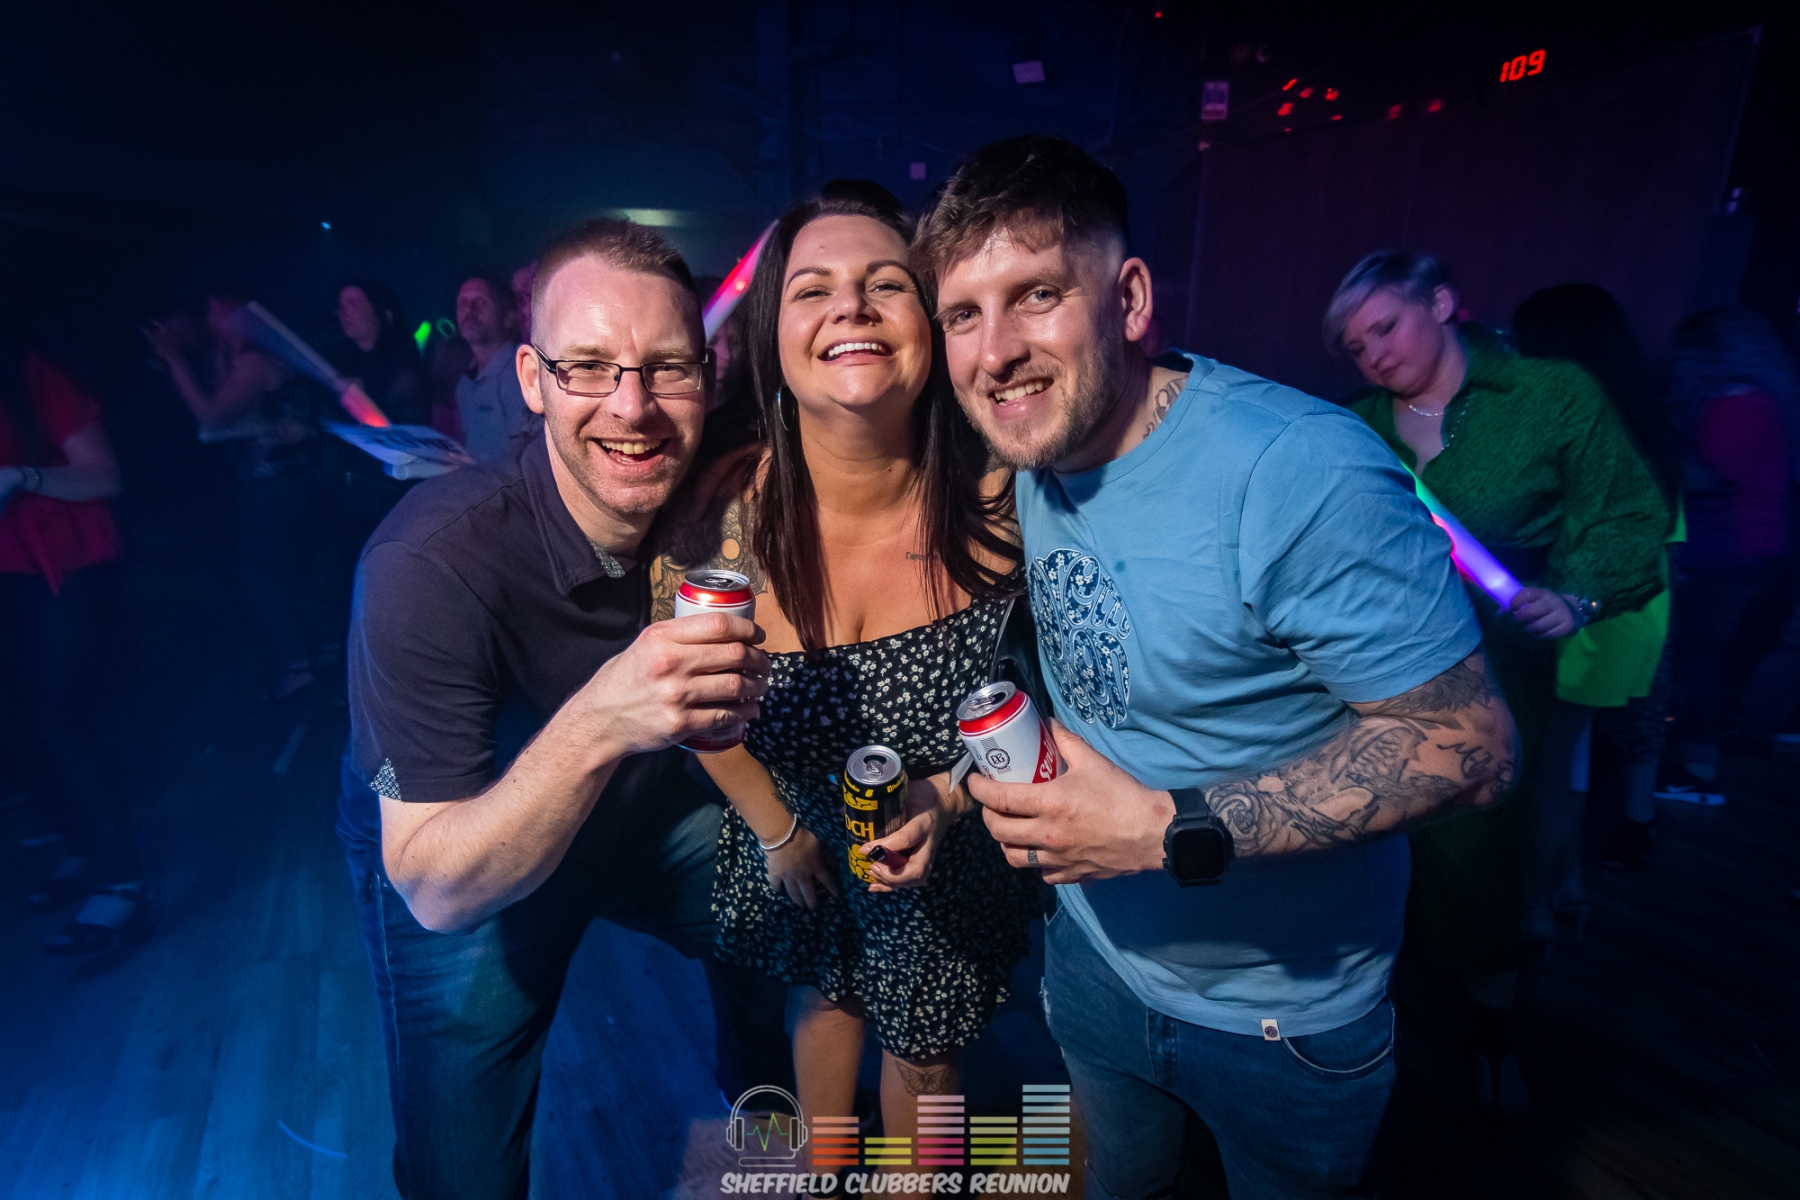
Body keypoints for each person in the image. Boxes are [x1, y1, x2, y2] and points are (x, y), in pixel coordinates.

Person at [918, 135, 1518, 1200]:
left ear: (1129, 299)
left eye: (1037, 295)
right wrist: (960, 786)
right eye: (963, 314)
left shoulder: (1297, 470)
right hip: (1095, 961)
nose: (994, 351)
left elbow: (1470, 750)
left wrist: (1165, 830)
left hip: (1283, 1017)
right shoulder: (1032, 457)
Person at [338, 218, 787, 1200]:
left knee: (789, 906)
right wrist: (605, 716)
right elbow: (434, 887)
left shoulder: (712, 491)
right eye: (588, 367)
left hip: (640, 811)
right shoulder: (430, 563)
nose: (633, 407)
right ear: (532, 380)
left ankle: (765, 1110)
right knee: (462, 1172)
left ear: (707, 375)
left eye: (667, 368)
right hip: (468, 842)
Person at [651, 180, 1038, 1145]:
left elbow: (1049, 697)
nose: (852, 307)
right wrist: (778, 832)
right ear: (773, 338)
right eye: (813, 289)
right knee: (826, 995)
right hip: (792, 830)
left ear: (931, 324)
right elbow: (689, 707)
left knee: (927, 1046)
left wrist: (950, 800)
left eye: (886, 283)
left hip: (944, 841)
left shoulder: (1008, 502)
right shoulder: (714, 515)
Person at [1329, 253, 1666, 1116]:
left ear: (1442, 302)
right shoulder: (1351, 424)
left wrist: (1577, 596)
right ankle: (1362, 1030)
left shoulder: (1551, 395)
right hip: (1365, 665)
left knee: (1475, 842)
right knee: (1363, 838)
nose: (1373, 354)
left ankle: (1493, 1036)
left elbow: (1629, 514)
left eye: (1385, 327)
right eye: (1355, 345)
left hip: (1497, 661)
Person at [1511, 284, 1683, 873]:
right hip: (1633, 612)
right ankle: (1564, 888)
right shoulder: (1645, 415)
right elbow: (1666, 534)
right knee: (1570, 759)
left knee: (1544, 768)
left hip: (1578, 614)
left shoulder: (1569, 417)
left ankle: (1537, 904)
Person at [0, 318, 144, 954]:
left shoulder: (35, 376)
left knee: (59, 722)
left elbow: (104, 476)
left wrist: (22, 477)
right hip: (12, 576)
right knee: (17, 729)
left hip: (65, 568)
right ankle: (86, 848)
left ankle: (124, 881)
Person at [145, 292, 332, 700]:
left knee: (258, 570)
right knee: (282, 567)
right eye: (208, 308)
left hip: (277, 479)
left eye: (218, 308)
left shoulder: (254, 360)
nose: (209, 316)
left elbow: (211, 416)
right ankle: (325, 648)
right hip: (274, 478)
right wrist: (172, 361)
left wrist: (174, 357)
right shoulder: (232, 357)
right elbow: (203, 410)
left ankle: (300, 666)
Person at [1664, 307, 1796, 783]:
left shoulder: (1735, 405)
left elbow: (1704, 476)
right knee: (1705, 657)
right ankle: (1698, 761)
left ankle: (1698, 771)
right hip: (1752, 550)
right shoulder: (1763, 400)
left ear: (1710, 352)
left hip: (1726, 553)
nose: (1679, 358)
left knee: (1695, 659)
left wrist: (1654, 453)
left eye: (1688, 349)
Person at [452, 272, 537, 462]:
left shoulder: (521, 374)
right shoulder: (464, 384)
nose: (469, 310)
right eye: (462, 303)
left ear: (508, 318)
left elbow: (525, 457)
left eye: (480, 302)